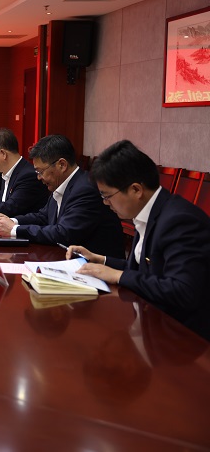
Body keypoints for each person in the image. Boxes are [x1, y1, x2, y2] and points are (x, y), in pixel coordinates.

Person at [67, 140, 210, 340]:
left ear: (136, 190)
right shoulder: (149, 212)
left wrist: (118, 276)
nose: (106, 203)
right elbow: (147, 269)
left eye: (107, 196)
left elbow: (182, 291)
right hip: (153, 322)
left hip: (185, 338)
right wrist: (102, 260)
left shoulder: (180, 221)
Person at [0, 134, 124, 258]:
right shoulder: (62, 184)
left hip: (97, 268)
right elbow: (43, 216)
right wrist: (12, 221)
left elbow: (64, 233)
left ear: (62, 165)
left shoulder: (85, 189)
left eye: (41, 171)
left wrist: (15, 229)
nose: (38, 177)